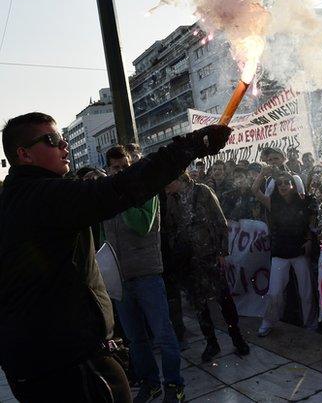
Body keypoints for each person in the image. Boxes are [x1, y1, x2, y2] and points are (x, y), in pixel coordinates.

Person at [0, 112, 231, 402]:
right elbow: (120, 189)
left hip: (33, 360)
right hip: (67, 362)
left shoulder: (14, 198)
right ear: (24, 154)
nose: (65, 146)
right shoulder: (43, 195)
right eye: (52, 140)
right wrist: (191, 145)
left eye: (64, 139)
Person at [102, 146, 185, 403]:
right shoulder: (107, 197)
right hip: (121, 279)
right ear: (108, 169)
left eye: (123, 167)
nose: (119, 172)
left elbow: (140, 225)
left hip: (147, 275)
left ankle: (174, 384)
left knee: (163, 334)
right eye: (115, 168)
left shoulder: (146, 192)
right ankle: (151, 384)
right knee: (136, 339)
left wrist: (123, 197)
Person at [164, 173, 250, 362]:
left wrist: (221, 252)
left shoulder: (203, 192)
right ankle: (211, 343)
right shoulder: (171, 199)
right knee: (199, 304)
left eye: (168, 181)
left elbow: (220, 221)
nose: (165, 186)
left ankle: (237, 338)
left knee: (224, 300)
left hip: (209, 256)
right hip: (188, 262)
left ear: (179, 178)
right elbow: (170, 229)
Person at [252, 168, 315, 337]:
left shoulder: (303, 201)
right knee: (274, 292)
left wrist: (309, 239)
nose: (283, 185)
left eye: (286, 182)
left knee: (306, 292)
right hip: (280, 253)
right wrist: (263, 173)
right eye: (279, 183)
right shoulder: (273, 201)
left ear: (293, 185)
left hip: (299, 252)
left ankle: (310, 324)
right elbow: (255, 191)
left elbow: (310, 221)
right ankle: (268, 322)